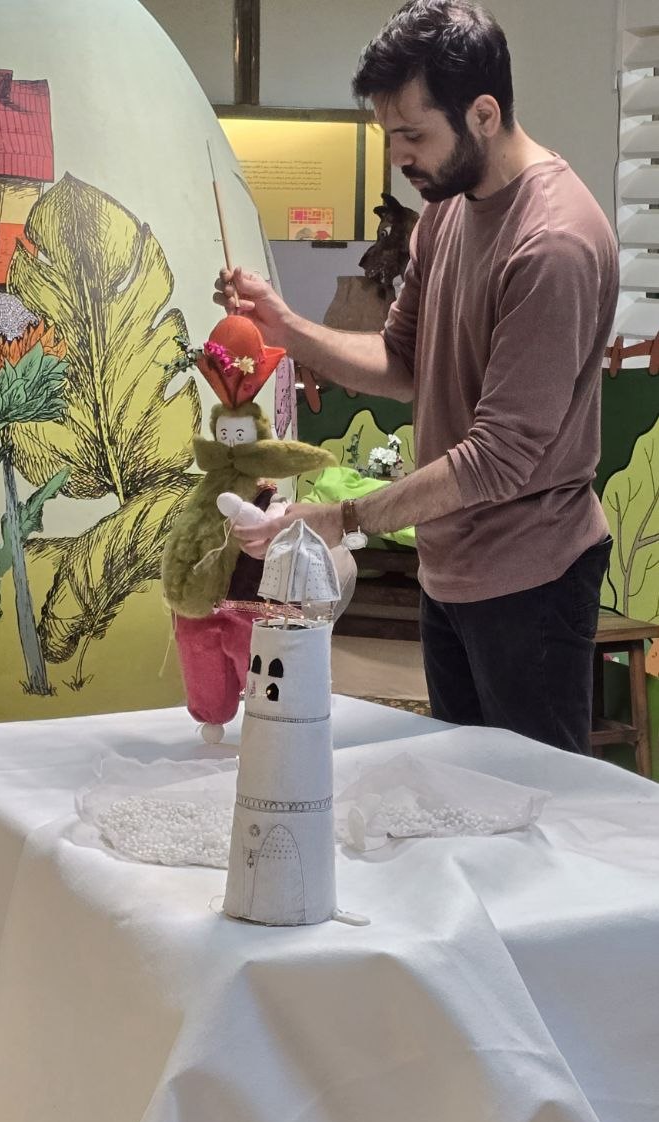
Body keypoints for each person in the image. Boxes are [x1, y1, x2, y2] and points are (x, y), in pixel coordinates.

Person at [213, 0, 619, 754]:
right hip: (450, 564)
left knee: (529, 800)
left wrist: (343, 517)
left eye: (413, 134)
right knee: (455, 788)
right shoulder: (446, 212)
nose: (399, 156)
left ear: (484, 114)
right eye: (388, 134)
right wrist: (287, 329)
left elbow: (498, 458)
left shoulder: (552, 244)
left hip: (532, 574)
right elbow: (403, 363)